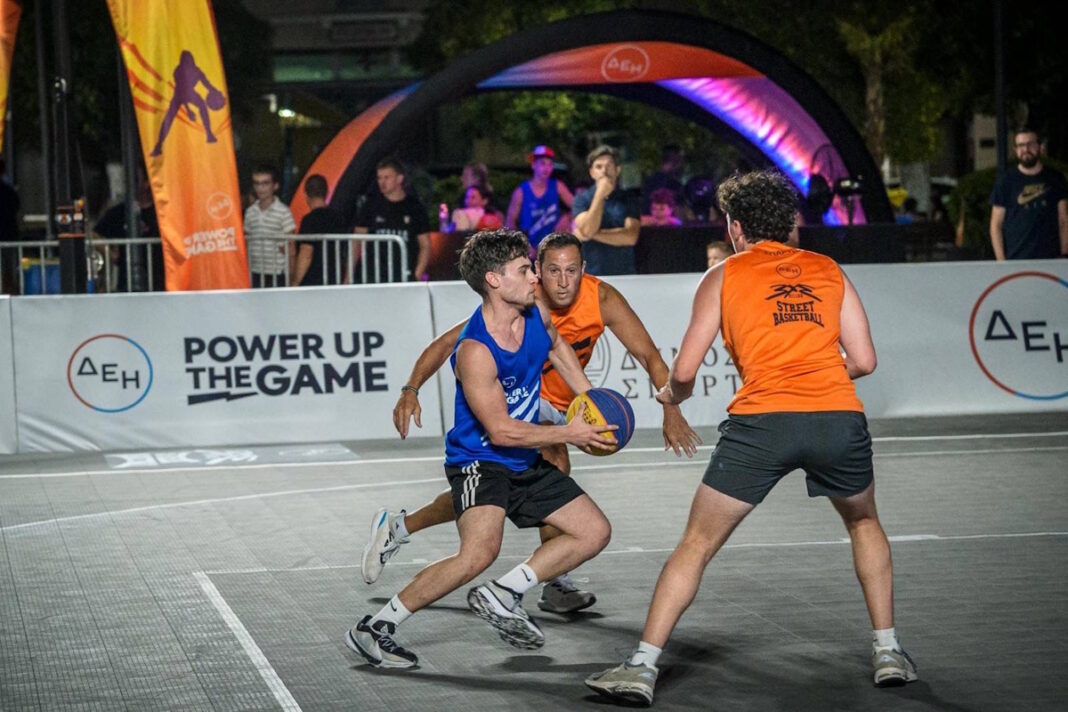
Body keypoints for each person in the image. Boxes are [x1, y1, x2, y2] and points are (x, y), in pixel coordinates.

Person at [585, 169, 917, 706]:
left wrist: (670, 396)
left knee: (696, 545)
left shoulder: (723, 275)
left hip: (763, 422)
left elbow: (685, 370)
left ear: (736, 228)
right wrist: (815, 374)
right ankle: (889, 651)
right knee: (863, 522)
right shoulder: (828, 269)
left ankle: (641, 667)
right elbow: (864, 360)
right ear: (788, 223)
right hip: (837, 417)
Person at [369, 231, 701, 613]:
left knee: (490, 495)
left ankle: (402, 526)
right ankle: (553, 581)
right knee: (549, 467)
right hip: (524, 405)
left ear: (583, 269)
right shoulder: (520, 298)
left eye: (571, 270)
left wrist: (668, 408)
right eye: (552, 271)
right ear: (538, 271)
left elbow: (647, 354)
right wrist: (411, 388)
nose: (562, 281)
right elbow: (447, 344)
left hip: (570, 403)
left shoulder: (601, 299)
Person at [344, 228, 617, 669]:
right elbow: (502, 432)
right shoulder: (476, 350)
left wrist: (590, 400)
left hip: (523, 458)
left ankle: (505, 592)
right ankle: (374, 627)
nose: (536, 278)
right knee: (477, 553)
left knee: (594, 531)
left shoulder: (535, 312)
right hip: (480, 461)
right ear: (494, 279)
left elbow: (558, 346)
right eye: (525, 270)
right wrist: (571, 433)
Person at [989, 127, 1068, 260]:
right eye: (1020, 145)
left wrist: (1064, 254)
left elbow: (1064, 219)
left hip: (1051, 259)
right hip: (1016, 260)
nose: (1025, 149)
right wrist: (1001, 261)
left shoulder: (1056, 178)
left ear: (1040, 147)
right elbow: (996, 225)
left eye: (1030, 144)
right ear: (1016, 150)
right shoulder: (1005, 181)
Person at [354, 158, 431, 282]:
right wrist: (349, 276)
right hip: (373, 277)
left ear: (399, 179)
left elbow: (425, 245)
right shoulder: (370, 206)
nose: (382, 182)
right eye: (379, 178)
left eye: (387, 177)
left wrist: (416, 275)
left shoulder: (415, 208)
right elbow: (356, 242)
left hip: (403, 277)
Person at [573, 145, 641, 275]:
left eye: (609, 166)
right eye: (598, 167)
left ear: (617, 170)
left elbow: (630, 237)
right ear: (592, 172)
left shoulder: (629, 198)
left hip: (624, 274)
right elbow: (587, 229)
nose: (604, 171)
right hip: (591, 274)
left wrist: (591, 235)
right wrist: (600, 194)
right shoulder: (581, 199)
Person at [92, 170, 164, 292]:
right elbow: (94, 234)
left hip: (159, 284)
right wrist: (109, 252)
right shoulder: (120, 212)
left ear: (147, 182)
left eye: (135, 180)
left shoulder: (161, 211)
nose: (131, 184)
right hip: (126, 284)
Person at [506, 145, 574, 250]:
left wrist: (567, 217)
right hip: (529, 248)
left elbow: (578, 206)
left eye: (550, 164)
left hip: (553, 246)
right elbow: (510, 222)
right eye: (543, 163)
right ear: (533, 165)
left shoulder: (558, 186)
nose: (546, 168)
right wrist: (522, 245)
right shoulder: (521, 192)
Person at [243, 164, 295, 288]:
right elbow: (246, 243)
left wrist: (291, 278)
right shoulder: (250, 212)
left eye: (265, 183)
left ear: (275, 186)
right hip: (254, 271)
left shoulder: (283, 212)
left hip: (277, 273)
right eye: (257, 183)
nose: (260, 188)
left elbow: (291, 250)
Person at [292, 174, 347, 286]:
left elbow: (306, 253)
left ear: (306, 194)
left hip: (313, 280)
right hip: (335, 278)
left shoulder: (309, 221)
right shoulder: (339, 218)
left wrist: (296, 282)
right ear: (326, 193)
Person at [642, 144, 686, 215]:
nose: (682, 165)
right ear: (676, 160)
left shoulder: (649, 181)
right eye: (681, 160)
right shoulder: (674, 185)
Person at [0, 158, 22, 295]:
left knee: (6, 269)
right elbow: (16, 208)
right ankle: (10, 291)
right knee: (9, 270)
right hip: (9, 236)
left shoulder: (8, 191)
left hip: (7, 235)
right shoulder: (9, 191)